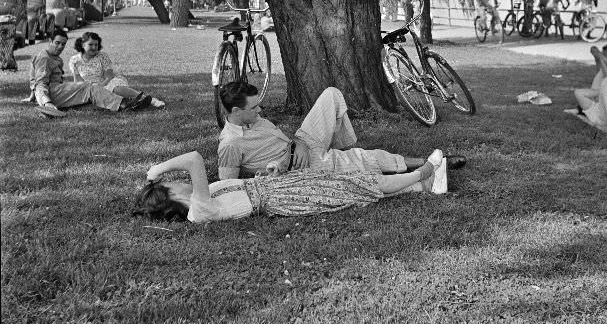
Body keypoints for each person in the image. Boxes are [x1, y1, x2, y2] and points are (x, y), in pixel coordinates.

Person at [217, 82, 466, 192]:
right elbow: (228, 185)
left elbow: (285, 140)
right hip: (300, 168)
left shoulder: (254, 118)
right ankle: (428, 163)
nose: (260, 110)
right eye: (253, 107)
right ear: (236, 112)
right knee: (370, 158)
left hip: (303, 144)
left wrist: (300, 143)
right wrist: (278, 169)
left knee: (332, 94)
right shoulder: (230, 144)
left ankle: (344, 156)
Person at [133, 148, 449, 223]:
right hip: (283, 198)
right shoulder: (198, 210)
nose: (176, 181)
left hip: (279, 187)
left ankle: (424, 187)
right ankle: (422, 173)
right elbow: (194, 160)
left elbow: (240, 189)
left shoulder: (203, 200)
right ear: (170, 197)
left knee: (348, 183)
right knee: (355, 186)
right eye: (170, 184)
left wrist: (264, 176)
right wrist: (157, 169)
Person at [27, 28, 151, 118]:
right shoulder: (44, 58)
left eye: (63, 44)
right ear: (50, 41)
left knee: (89, 89)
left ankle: (126, 101)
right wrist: (47, 103)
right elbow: (40, 84)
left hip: (56, 90)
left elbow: (35, 79)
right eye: (57, 43)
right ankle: (124, 104)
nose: (60, 47)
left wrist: (31, 97)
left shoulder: (53, 57)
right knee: (89, 86)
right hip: (51, 94)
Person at [69, 31, 164, 108]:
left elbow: (109, 76)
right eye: (90, 44)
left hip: (107, 82)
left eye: (96, 45)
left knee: (116, 90)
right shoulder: (74, 60)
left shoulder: (102, 56)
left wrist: (100, 87)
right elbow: (77, 81)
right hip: (90, 88)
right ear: (82, 45)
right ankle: (132, 103)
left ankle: (150, 100)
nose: (94, 47)